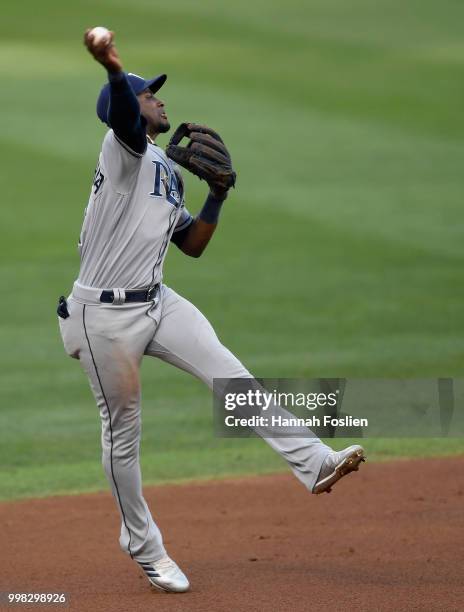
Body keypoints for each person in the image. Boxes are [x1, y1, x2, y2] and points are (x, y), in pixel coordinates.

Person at [57, 29, 365, 594]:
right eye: (152, 94)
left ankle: (315, 462)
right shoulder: (121, 153)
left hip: (156, 299)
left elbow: (192, 245)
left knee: (229, 372)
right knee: (123, 437)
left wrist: (218, 195)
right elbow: (123, 111)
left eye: (155, 93)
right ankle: (144, 547)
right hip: (100, 321)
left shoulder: (164, 170)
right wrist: (112, 66)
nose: (160, 100)